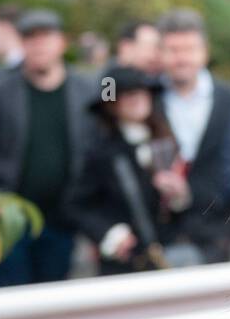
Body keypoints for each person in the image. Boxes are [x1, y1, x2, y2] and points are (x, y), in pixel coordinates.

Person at [0, 9, 94, 286]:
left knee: (53, 300)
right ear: (22, 44)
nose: (39, 45)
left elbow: (95, 150)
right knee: (8, 299)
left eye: (46, 37)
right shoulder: (1, 90)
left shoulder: (85, 91)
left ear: (62, 43)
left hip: (63, 218)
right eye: (31, 38)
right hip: (12, 218)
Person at [65, 65, 192, 274]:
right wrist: (109, 233)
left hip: (170, 260)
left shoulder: (167, 142)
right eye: (127, 94)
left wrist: (179, 196)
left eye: (142, 92)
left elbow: (181, 212)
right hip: (124, 265)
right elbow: (76, 205)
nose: (137, 99)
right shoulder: (101, 151)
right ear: (111, 105)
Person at [156, 9, 230, 261]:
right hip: (160, 237)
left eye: (189, 49)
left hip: (223, 238)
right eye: (173, 50)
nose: (181, 58)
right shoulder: (146, 100)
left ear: (205, 51)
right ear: (160, 53)